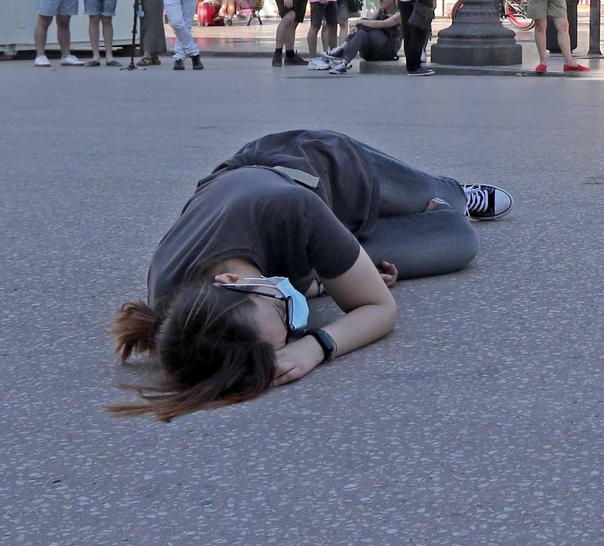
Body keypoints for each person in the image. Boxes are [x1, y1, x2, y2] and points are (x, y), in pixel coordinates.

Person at [108, 128, 513, 421]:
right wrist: (325, 284)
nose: (296, 316)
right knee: (459, 240)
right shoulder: (186, 322)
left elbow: (380, 309)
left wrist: (319, 345)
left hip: (322, 169)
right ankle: (385, 234)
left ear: (230, 283)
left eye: (283, 308)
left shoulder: (289, 208)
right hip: (311, 239)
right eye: (292, 330)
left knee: (434, 194)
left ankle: (449, 194)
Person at [309, 0, 404, 75]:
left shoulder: (399, 13)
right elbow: (369, 20)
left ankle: (341, 49)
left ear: (392, 0)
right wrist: (375, 11)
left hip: (388, 50)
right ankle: (344, 63)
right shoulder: (381, 10)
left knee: (363, 24)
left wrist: (359, 22)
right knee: (361, 32)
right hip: (372, 50)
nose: (379, 1)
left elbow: (382, 24)